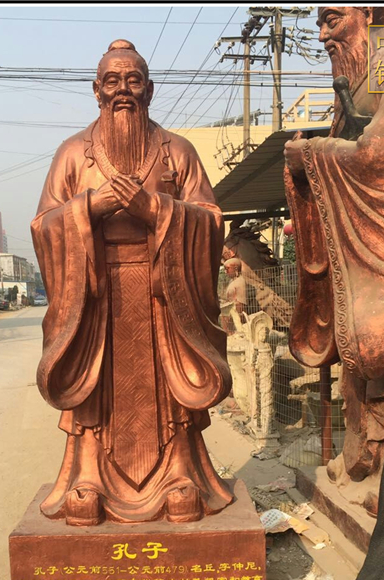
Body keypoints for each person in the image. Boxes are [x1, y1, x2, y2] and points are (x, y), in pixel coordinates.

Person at [31, 40, 232, 526]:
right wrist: (89, 208)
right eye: (112, 81)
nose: (123, 90)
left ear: (150, 89)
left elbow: (210, 219)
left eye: (133, 80)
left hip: (164, 294)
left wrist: (155, 210)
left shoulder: (177, 151)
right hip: (95, 296)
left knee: (167, 385)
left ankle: (179, 474)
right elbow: (43, 225)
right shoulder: (73, 154)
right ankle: (89, 478)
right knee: (96, 384)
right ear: (96, 90)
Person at [283, 6, 384, 517]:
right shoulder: (355, 78)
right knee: (355, 352)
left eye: (333, 19)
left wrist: (312, 154)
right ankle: (363, 459)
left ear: (370, 10)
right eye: (319, 23)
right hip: (359, 244)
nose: (323, 35)